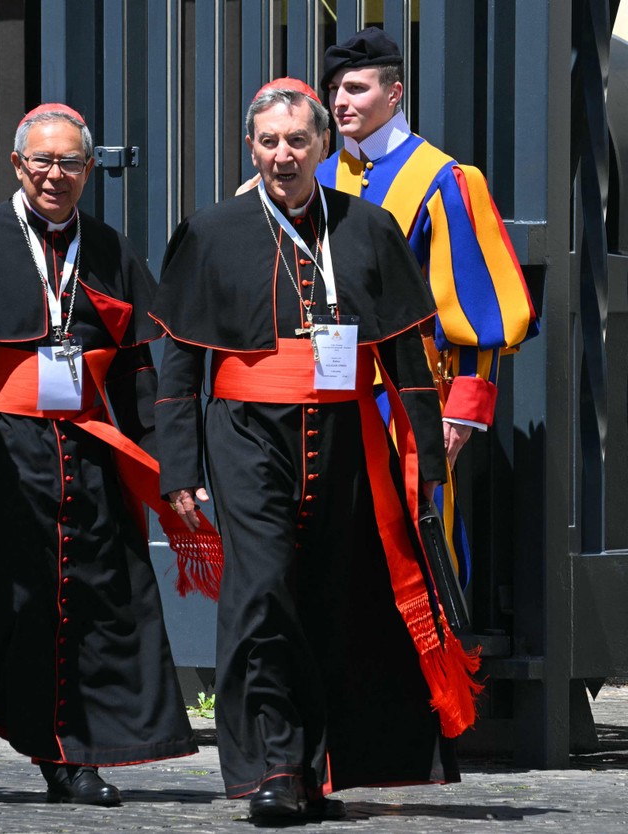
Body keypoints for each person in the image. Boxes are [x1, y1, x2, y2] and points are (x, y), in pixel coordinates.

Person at [153, 80, 481, 824]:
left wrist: (426, 460)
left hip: (344, 436)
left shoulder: (367, 228)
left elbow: (405, 354)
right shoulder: (211, 231)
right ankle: (270, 766)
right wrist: (180, 470)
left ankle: (314, 769)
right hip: (244, 432)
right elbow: (177, 364)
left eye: (298, 141)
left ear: (323, 147)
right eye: (268, 142)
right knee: (263, 589)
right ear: (250, 149)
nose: (283, 156)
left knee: (333, 595)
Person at [0, 103, 198, 806]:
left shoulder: (111, 248)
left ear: (90, 170)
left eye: (69, 162)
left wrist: (159, 466)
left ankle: (69, 757)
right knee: (2, 600)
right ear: (17, 165)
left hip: (85, 451)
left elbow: (133, 370)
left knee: (86, 602)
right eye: (42, 160)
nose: (54, 175)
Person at [317, 27, 538, 586]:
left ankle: (432, 672)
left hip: (408, 399)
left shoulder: (443, 179)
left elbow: (476, 310)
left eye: (357, 88)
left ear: (393, 95)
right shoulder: (317, 176)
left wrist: (460, 414)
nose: (340, 101)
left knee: (418, 542)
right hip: (321, 391)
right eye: (336, 88)